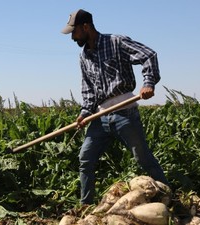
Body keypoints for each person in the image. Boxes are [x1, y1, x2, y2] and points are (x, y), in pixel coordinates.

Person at [61, 9, 169, 205]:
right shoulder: (83, 56)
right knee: (85, 158)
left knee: (143, 158)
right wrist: (85, 112)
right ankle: (86, 207)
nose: (72, 37)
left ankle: (168, 198)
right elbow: (88, 90)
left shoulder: (116, 42)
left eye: (74, 32)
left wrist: (148, 83)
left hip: (124, 112)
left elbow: (148, 55)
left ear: (85, 27)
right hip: (99, 116)